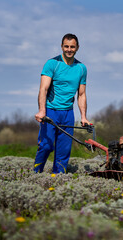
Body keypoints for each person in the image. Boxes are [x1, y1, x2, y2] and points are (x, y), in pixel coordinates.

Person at [34, 33, 90, 174]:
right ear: (61, 46)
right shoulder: (52, 64)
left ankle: (58, 178)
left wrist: (83, 116)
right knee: (46, 146)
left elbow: (81, 94)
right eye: (66, 46)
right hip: (51, 111)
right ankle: (35, 174)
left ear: (77, 48)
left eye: (72, 47)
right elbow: (43, 89)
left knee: (63, 151)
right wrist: (42, 111)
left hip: (68, 114)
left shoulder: (81, 68)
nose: (69, 49)